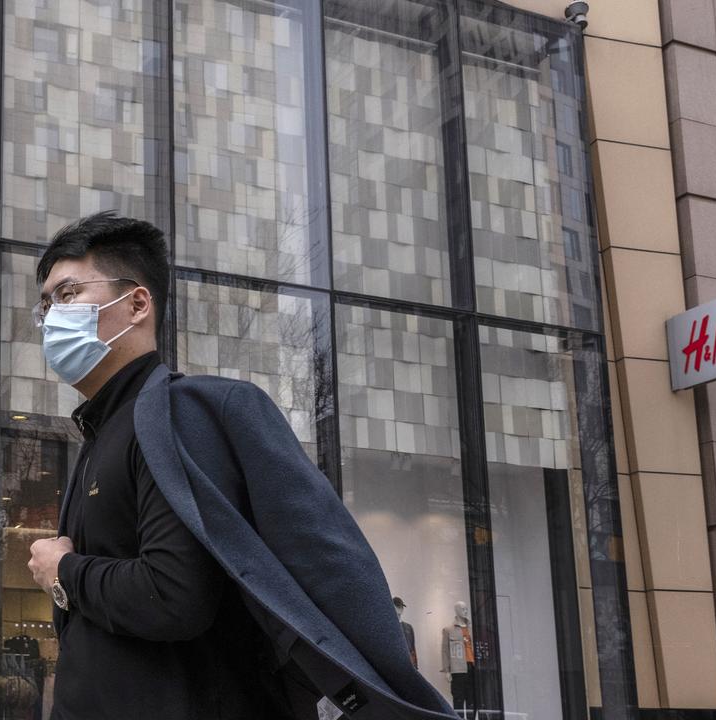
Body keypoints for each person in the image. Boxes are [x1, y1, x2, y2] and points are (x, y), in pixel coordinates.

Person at [27, 212, 455, 720]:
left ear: (137, 302)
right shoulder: (103, 432)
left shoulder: (175, 417)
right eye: (47, 303)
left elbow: (173, 596)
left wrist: (63, 572)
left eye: (69, 293)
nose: (53, 315)